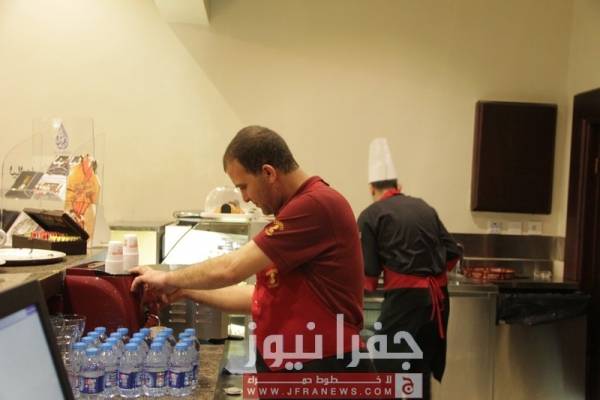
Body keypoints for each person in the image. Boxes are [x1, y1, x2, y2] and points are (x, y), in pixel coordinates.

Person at [131, 125, 373, 373]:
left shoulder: (316, 204)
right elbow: (259, 297)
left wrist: (166, 277)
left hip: (325, 366)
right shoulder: (296, 210)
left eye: (244, 186)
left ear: (268, 173)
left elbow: (231, 268)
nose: (244, 198)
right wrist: (184, 290)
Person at [357, 138, 462, 399]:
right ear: (399, 186)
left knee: (385, 368)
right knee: (419, 369)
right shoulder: (425, 206)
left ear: (371, 188)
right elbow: (452, 252)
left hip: (405, 301)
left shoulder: (371, 214)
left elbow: (368, 278)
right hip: (437, 302)